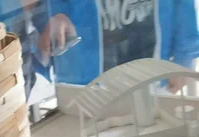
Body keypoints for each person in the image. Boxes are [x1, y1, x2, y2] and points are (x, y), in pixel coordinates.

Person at [38, 0, 199, 92]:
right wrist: (56, 14)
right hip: (88, 89)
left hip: (154, 79)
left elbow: (182, 5)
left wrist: (184, 56)